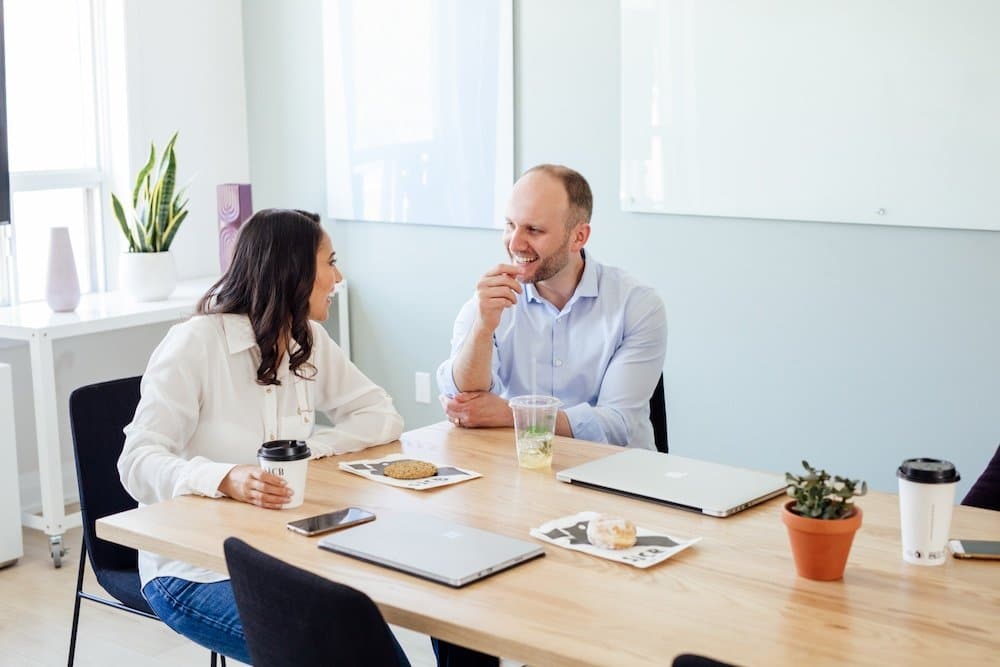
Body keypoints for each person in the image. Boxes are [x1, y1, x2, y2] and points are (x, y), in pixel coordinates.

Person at [118, 209, 407, 665]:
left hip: (287, 552)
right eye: (330, 262)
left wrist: (310, 452)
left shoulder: (305, 338)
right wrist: (224, 477)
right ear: (292, 272)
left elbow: (379, 415)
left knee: (368, 641)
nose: (339, 276)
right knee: (342, 651)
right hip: (195, 569)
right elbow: (136, 462)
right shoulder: (195, 344)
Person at [436, 164, 667, 450]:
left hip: (612, 475)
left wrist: (512, 414)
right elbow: (465, 402)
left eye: (534, 230)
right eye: (510, 225)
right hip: (521, 468)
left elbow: (618, 425)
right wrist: (483, 328)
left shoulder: (637, 306)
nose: (515, 243)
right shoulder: (490, 302)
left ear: (579, 237)